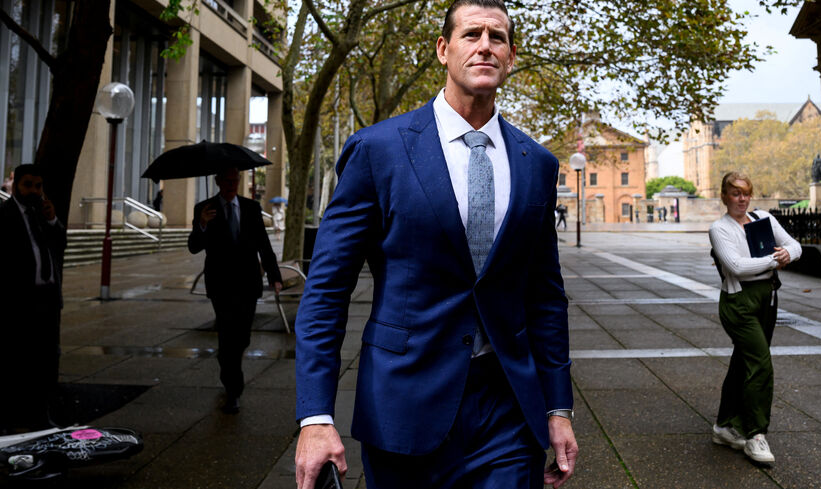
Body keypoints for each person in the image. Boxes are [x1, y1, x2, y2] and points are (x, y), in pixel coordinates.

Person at [293, 1, 578, 487]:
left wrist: (558, 406)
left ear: (510, 57)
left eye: (498, 37)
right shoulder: (377, 150)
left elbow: (545, 296)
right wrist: (315, 416)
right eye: (472, 34)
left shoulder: (538, 164)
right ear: (444, 50)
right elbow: (325, 292)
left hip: (506, 406)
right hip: (405, 405)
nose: (486, 45)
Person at [708, 171, 801, 464]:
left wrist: (788, 252)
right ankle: (755, 434)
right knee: (760, 364)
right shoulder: (719, 228)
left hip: (767, 299)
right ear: (724, 196)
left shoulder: (763, 219)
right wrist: (776, 259)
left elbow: (795, 246)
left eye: (746, 193)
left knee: (743, 362)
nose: (742, 199)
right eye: (735, 193)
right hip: (738, 303)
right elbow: (737, 266)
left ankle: (724, 426)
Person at [188, 166, 282, 414]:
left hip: (248, 282)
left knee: (242, 338)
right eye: (227, 180)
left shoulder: (251, 208)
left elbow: (264, 244)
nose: (231, 183)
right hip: (220, 284)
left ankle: (227, 361)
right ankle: (233, 390)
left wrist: (275, 276)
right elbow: (193, 247)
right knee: (228, 334)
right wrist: (202, 225)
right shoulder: (204, 208)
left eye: (235, 179)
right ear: (218, 181)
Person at [0, 164, 66, 434]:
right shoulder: (4, 216)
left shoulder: (42, 213)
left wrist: (52, 221)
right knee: (16, 363)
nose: (34, 191)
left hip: (47, 301)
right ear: (15, 185)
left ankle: (40, 415)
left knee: (45, 362)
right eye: (28, 185)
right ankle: (9, 419)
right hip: (19, 303)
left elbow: (60, 244)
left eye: (39, 186)